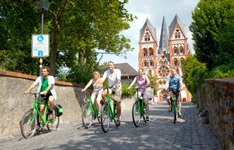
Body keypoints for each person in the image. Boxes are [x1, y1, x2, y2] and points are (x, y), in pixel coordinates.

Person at [100, 61, 122, 126]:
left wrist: (118, 84)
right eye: (108, 65)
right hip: (110, 87)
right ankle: (106, 104)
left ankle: (118, 119)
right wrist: (99, 84)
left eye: (110, 65)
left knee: (117, 103)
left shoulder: (118, 71)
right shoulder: (106, 72)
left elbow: (118, 79)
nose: (109, 66)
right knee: (103, 94)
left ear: (113, 66)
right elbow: (103, 79)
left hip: (117, 88)